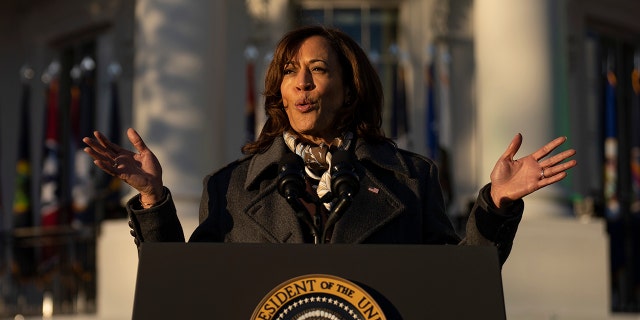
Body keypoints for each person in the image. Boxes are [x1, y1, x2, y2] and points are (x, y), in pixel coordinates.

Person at [83, 25, 576, 265]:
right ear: (278, 89)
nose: (302, 83)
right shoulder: (230, 186)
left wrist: (495, 204)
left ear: (349, 87)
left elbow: (457, 288)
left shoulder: (412, 178)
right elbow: (184, 289)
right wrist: (153, 199)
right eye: (290, 72)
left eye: (318, 70)